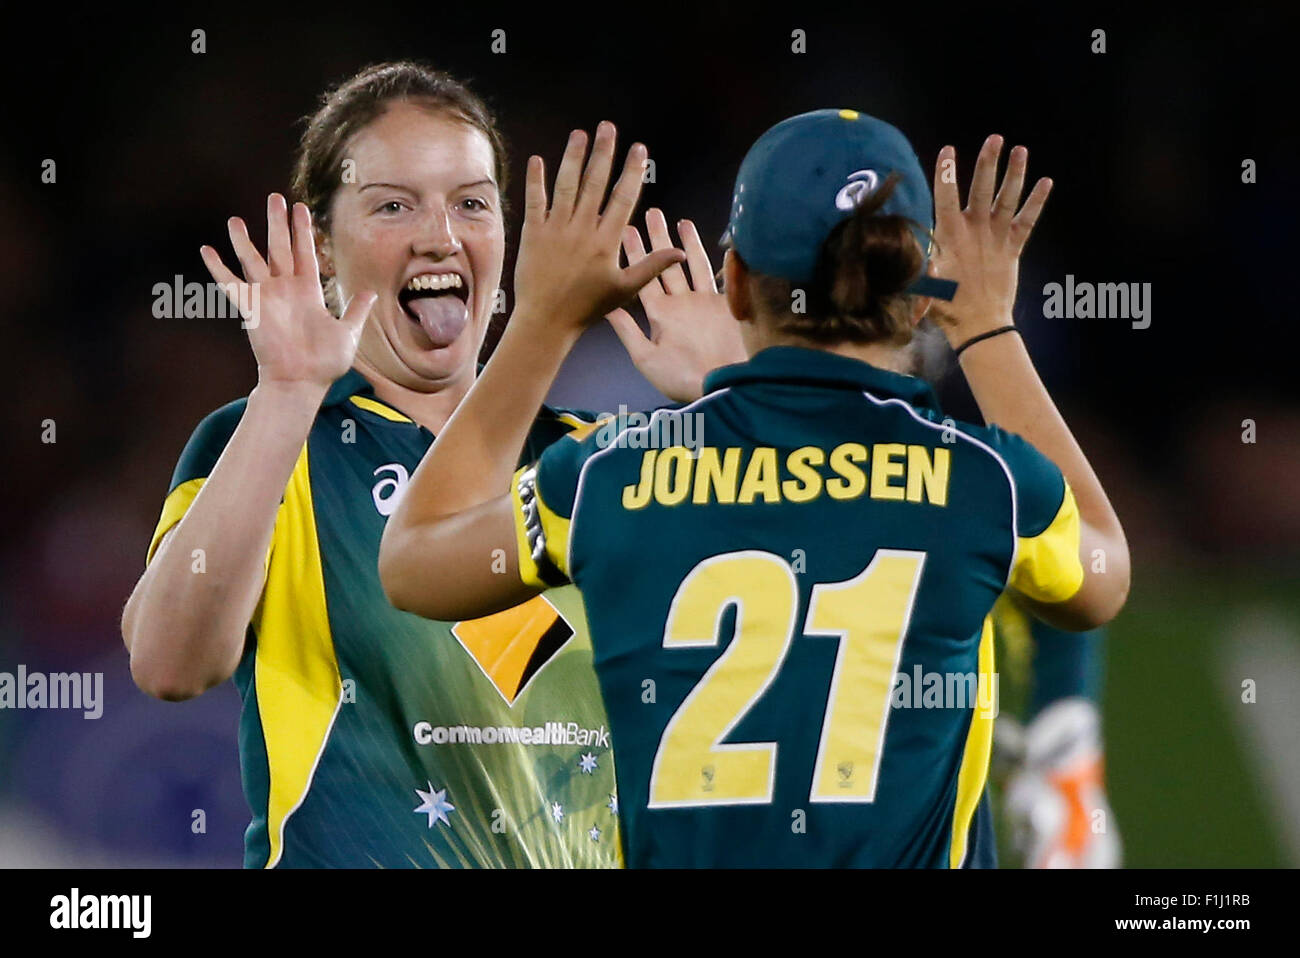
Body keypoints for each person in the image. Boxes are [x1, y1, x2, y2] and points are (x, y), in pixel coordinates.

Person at [379, 109, 1131, 867]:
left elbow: (412, 562)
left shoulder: (613, 474)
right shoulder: (981, 484)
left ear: (735, 283)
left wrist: (543, 319)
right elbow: (1100, 579)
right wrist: (989, 328)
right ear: (922, 295)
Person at [120, 61, 683, 868]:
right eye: (393, 205)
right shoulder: (281, 444)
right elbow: (172, 662)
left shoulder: (592, 462)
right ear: (321, 243)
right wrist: (286, 392)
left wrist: (732, 394)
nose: (440, 236)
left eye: (471, 204)